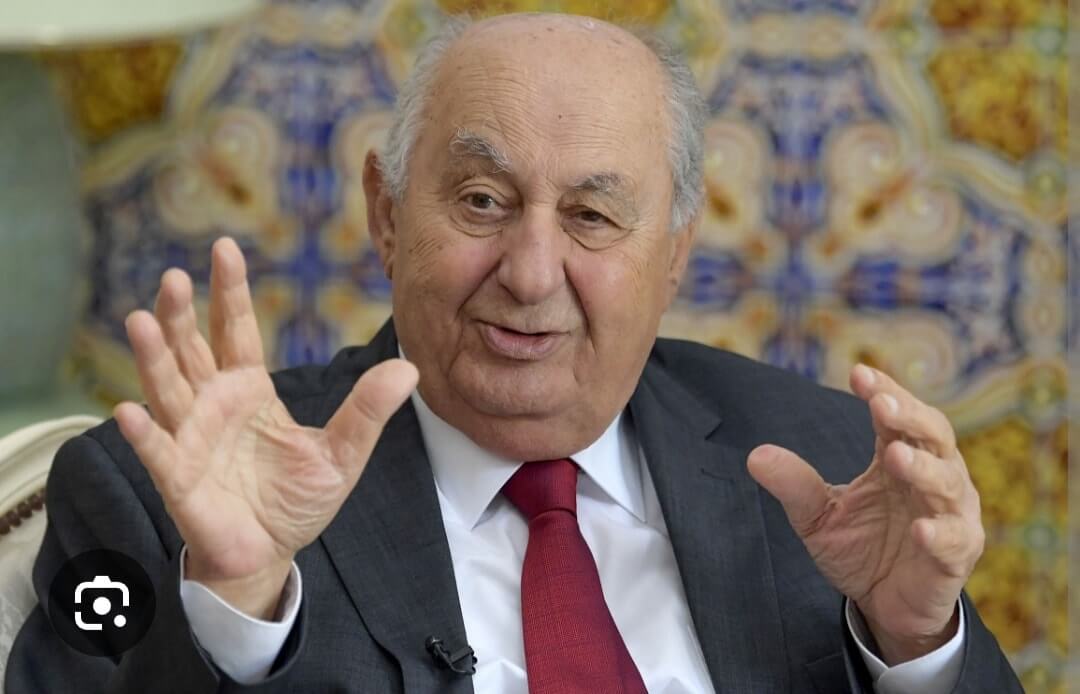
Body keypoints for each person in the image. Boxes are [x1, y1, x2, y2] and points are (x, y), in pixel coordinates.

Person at [6, 12, 1021, 694]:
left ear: (674, 253)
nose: (531, 274)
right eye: (483, 201)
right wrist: (235, 609)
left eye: (592, 216)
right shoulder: (146, 495)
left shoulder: (829, 464)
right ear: (387, 215)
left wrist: (913, 650)